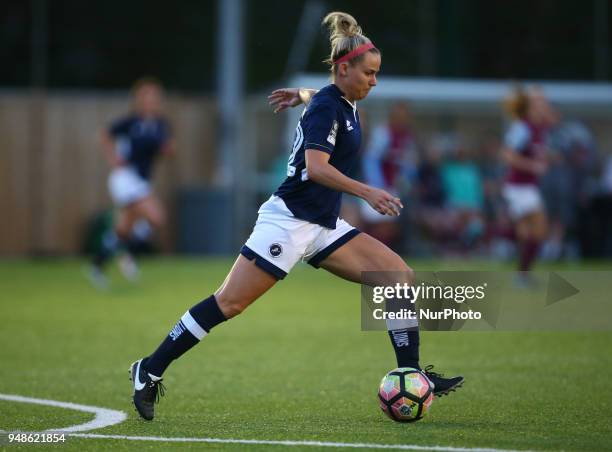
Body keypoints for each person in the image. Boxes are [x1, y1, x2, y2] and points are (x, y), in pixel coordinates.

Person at [129, 12, 463, 421]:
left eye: (376, 74)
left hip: (322, 224)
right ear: (345, 69)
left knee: (396, 274)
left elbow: (324, 97)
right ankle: (149, 368)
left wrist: (301, 95)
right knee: (229, 303)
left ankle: (411, 374)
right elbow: (318, 167)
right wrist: (368, 192)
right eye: (369, 73)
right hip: (288, 220)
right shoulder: (330, 106)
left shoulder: (342, 101)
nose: (374, 81)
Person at [88, 77, 174, 288]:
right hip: (125, 178)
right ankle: (127, 255)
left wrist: (167, 149)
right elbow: (104, 134)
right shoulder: (131, 122)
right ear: (139, 99)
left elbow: (168, 148)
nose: (152, 101)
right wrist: (112, 158)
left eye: (155, 97)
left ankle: (97, 265)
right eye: (148, 96)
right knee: (156, 217)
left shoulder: (160, 124)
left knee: (123, 229)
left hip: (141, 181)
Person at [501, 86, 550, 285]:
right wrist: (533, 166)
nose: (543, 104)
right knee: (538, 229)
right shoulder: (523, 127)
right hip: (518, 187)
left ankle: (522, 274)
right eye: (539, 101)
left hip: (528, 187)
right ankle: (520, 272)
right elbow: (507, 154)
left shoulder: (540, 127)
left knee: (530, 232)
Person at [360, 102, 418, 248]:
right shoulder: (382, 134)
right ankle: (370, 251)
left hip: (395, 186)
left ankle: (384, 252)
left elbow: (409, 164)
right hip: (377, 186)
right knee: (379, 222)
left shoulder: (408, 137)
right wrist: (378, 185)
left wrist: (406, 181)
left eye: (404, 117)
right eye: (398, 116)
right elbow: (371, 160)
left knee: (392, 222)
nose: (401, 120)